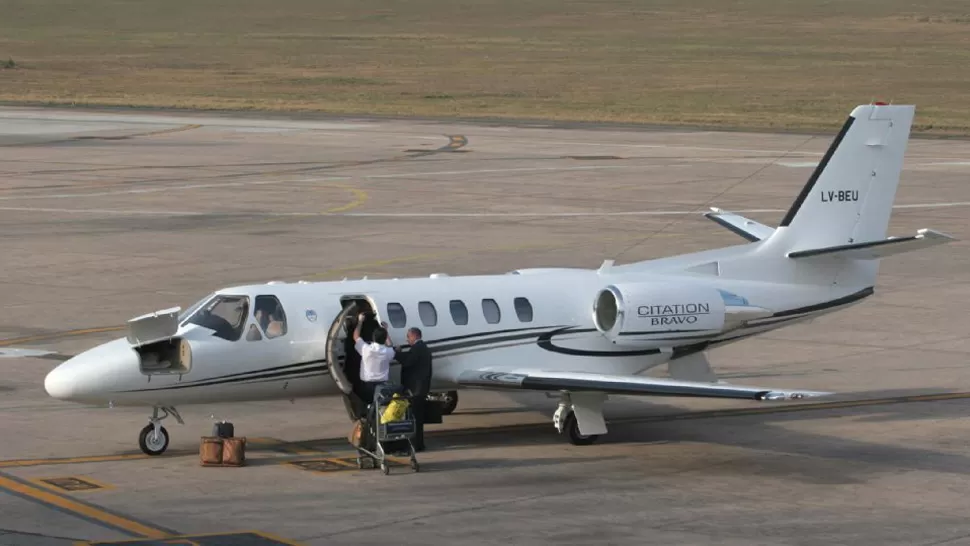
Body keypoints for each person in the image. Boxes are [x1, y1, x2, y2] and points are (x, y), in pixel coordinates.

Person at [396, 327, 432, 451]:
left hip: (416, 390)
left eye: (409, 336)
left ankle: (416, 445)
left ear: (415, 336)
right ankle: (419, 444)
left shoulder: (418, 349)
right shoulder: (423, 348)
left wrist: (396, 353)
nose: (407, 339)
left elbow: (408, 361)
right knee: (418, 418)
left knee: (415, 418)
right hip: (421, 389)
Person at [353, 314, 395, 408]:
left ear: (373, 338)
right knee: (380, 407)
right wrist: (385, 330)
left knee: (368, 407)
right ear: (384, 339)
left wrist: (360, 321)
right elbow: (390, 345)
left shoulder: (366, 349)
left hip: (367, 386)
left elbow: (356, 336)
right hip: (382, 385)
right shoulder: (388, 352)